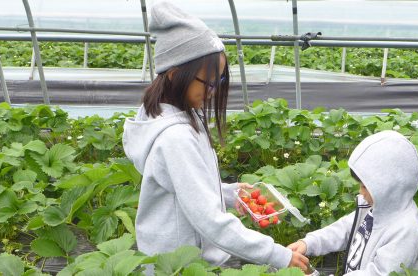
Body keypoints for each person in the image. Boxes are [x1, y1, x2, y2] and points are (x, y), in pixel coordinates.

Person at [122, 2, 308, 273]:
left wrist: (231, 194)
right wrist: (276, 254)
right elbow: (209, 220)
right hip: (179, 267)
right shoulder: (175, 139)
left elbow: (186, 186)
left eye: (218, 82)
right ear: (175, 75)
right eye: (208, 82)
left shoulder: (175, 113)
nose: (212, 91)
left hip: (180, 259)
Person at [287, 130, 418, 275]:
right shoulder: (375, 206)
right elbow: (344, 229)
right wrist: (308, 243)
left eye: (365, 186)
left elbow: (378, 273)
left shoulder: (405, 231)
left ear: (388, 186)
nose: (361, 192)